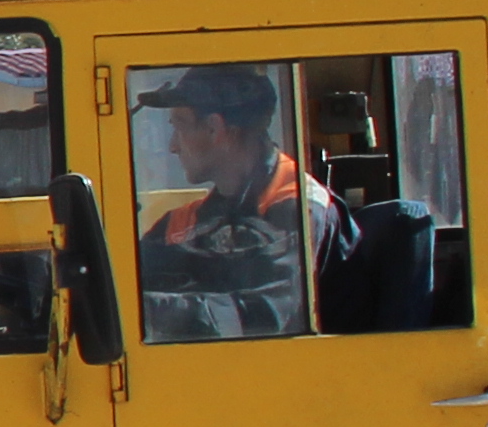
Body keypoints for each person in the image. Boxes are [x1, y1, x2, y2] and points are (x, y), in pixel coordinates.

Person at [134, 64, 348, 340]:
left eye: (180, 126)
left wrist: (141, 310)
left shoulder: (299, 209)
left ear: (214, 128)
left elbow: (259, 316)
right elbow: (129, 277)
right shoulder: (185, 221)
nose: (173, 146)